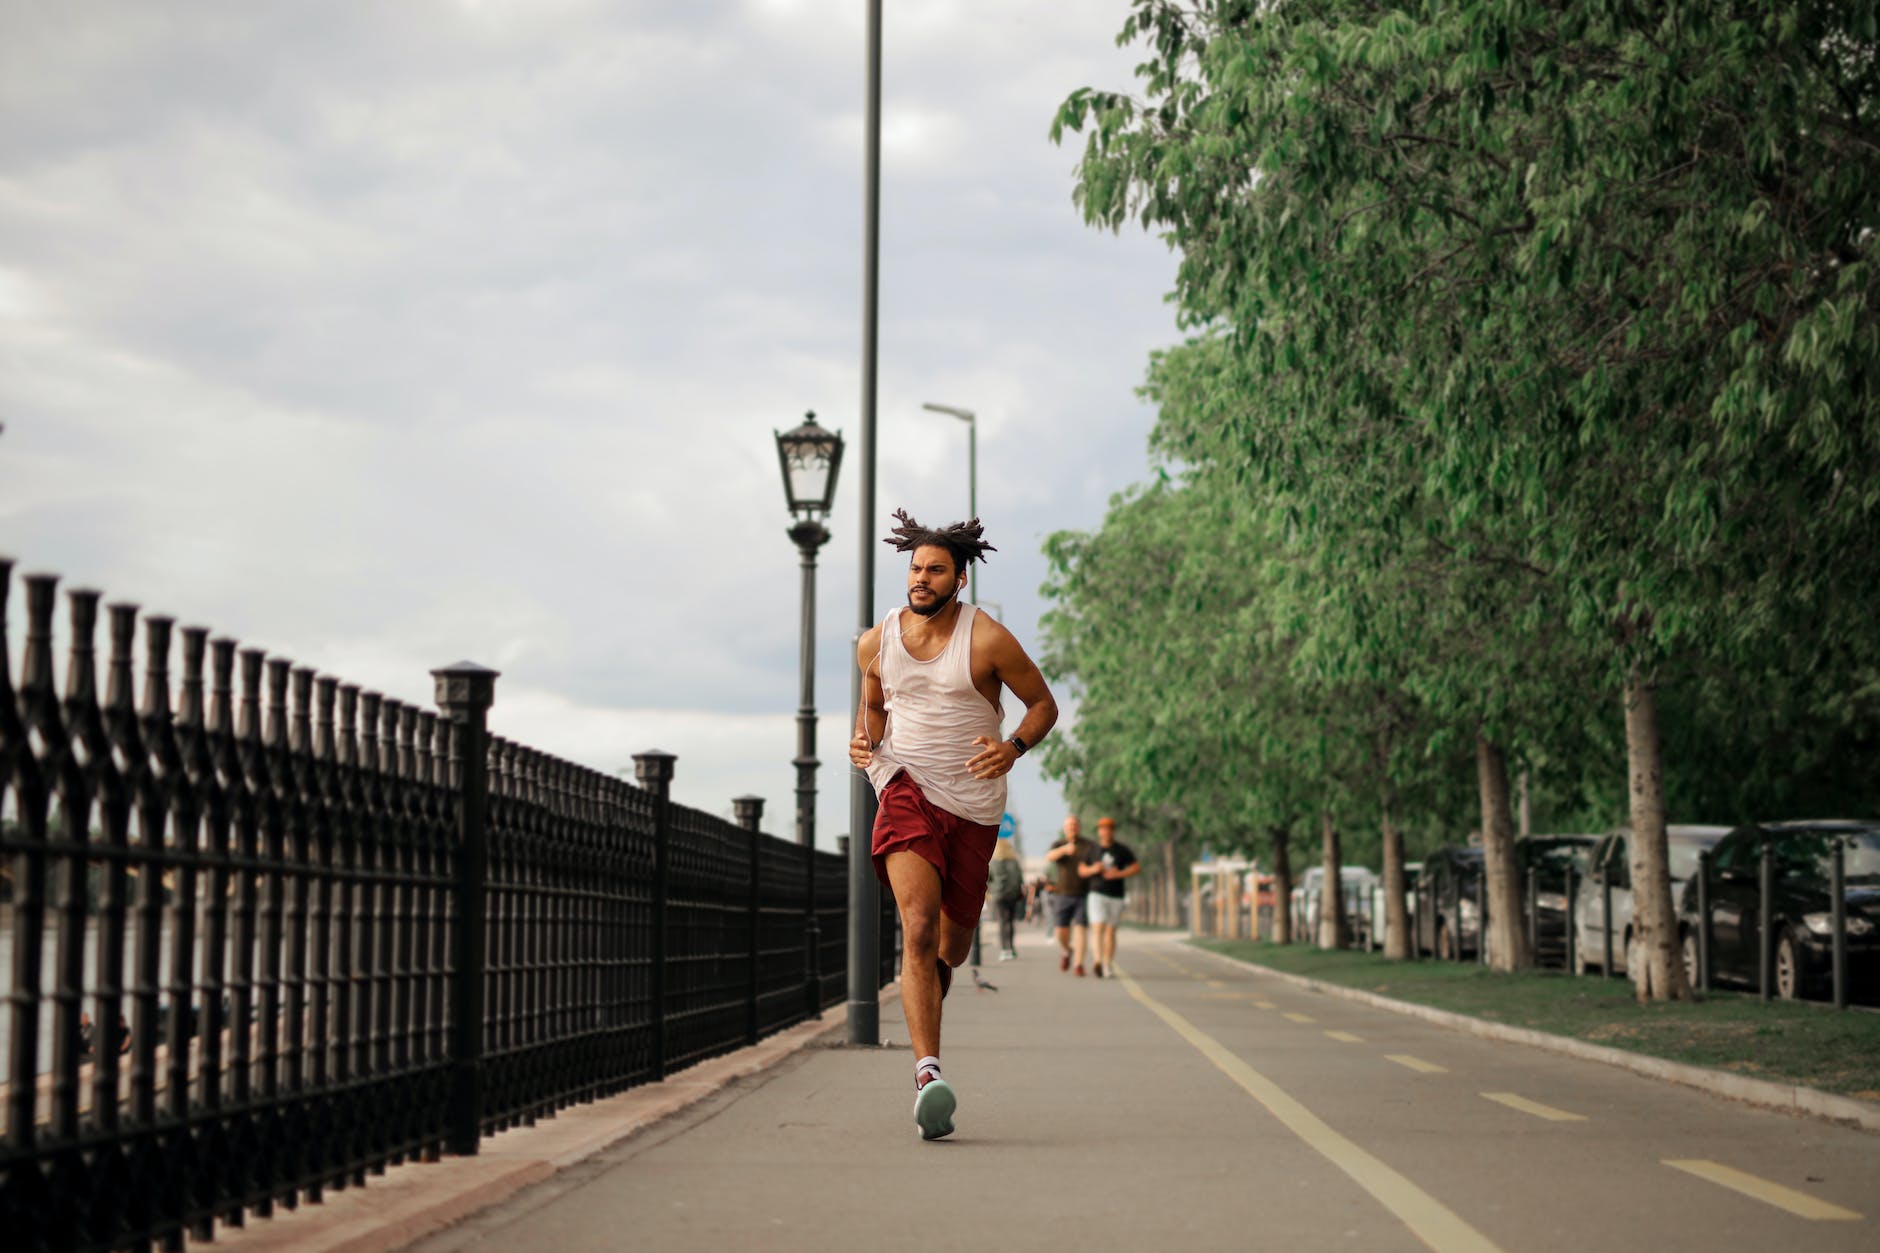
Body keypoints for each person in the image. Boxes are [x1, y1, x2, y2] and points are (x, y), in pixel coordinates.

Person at [849, 509, 1058, 1141]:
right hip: (905, 787)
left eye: (935, 569)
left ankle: (930, 990)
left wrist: (1013, 747)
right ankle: (928, 1075)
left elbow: (1043, 705)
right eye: (915, 567)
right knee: (916, 927)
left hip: (972, 804)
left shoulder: (988, 638)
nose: (921, 578)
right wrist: (864, 744)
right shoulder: (875, 642)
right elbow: (874, 713)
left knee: (952, 945)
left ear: (958, 580)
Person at [1079, 816, 1140, 978]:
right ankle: (1097, 961)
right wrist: (1093, 869)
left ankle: (1107, 964)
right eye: (1103, 828)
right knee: (1098, 927)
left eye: (1109, 828)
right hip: (1096, 893)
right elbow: (1082, 870)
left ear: (1112, 831)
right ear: (1099, 831)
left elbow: (1135, 867)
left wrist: (1119, 873)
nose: (1106, 831)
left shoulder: (1121, 850)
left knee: (1111, 931)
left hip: (1116, 894)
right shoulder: (1092, 850)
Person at [1044, 816, 1096, 976]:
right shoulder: (1059, 844)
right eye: (1069, 825)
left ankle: (1078, 964)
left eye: (1074, 825)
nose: (1072, 827)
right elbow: (1049, 857)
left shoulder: (1088, 845)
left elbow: (1097, 863)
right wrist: (1064, 850)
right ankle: (1067, 951)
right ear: (1065, 828)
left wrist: (1091, 869)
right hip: (1062, 894)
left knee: (1081, 929)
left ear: (1079, 827)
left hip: (1083, 894)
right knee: (1061, 932)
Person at [987, 836, 1025, 961]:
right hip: (1013, 895)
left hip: (999, 895)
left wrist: (991, 889)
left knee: (1003, 922)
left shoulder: (994, 862)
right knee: (1010, 921)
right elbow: (1020, 879)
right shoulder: (1014, 862)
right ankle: (1011, 948)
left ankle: (1004, 949)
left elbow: (988, 879)